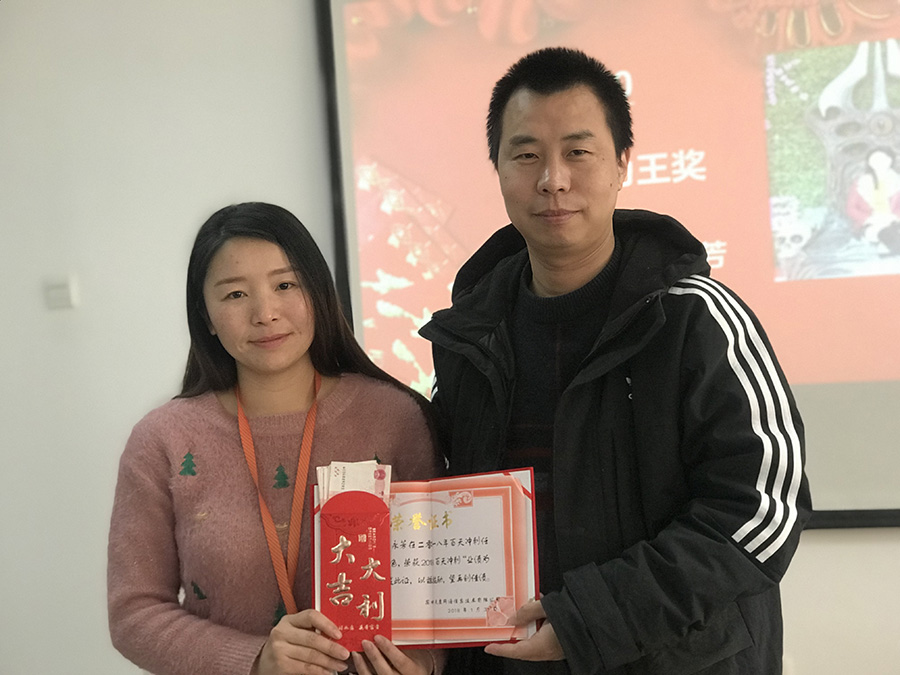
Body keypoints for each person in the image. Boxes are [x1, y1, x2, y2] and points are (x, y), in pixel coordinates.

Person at [419, 47, 812, 674]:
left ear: (623, 162)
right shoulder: (470, 336)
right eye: (526, 155)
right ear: (497, 168)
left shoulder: (695, 318)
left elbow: (761, 511)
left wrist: (589, 621)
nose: (553, 180)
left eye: (578, 151)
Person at [108, 202, 444, 675]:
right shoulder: (162, 440)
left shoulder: (395, 417)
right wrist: (255, 661)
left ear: (318, 292)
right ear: (206, 316)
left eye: (285, 285)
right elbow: (134, 613)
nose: (265, 314)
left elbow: (441, 580)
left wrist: (425, 664)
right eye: (235, 295)